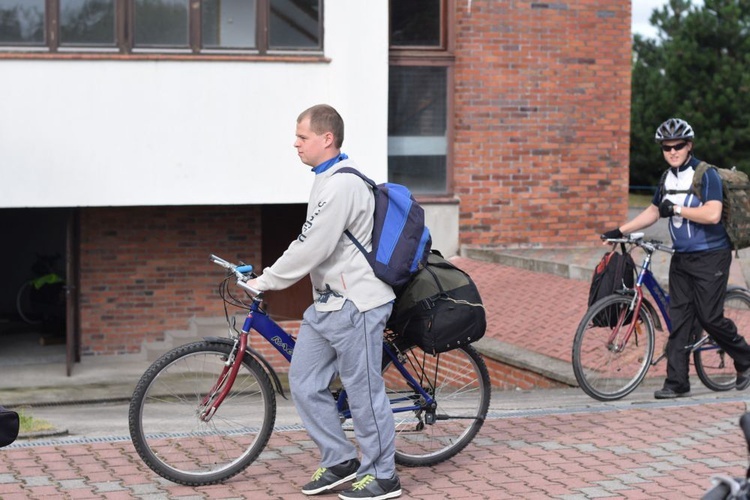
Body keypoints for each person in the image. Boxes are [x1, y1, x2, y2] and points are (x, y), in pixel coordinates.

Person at [245, 104, 402, 500]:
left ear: (326, 139)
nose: (295, 144)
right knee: (303, 380)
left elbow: (311, 246)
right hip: (328, 304)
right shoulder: (324, 180)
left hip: (357, 302)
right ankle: (339, 459)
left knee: (363, 391)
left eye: (302, 137)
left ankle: (384, 475)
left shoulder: (341, 186)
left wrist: (266, 280)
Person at [602, 117, 750, 400]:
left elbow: (712, 214)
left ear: (689, 146)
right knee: (679, 317)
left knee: (709, 317)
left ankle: (745, 357)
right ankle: (677, 382)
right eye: (666, 148)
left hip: (711, 256)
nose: (672, 152)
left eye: (678, 146)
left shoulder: (705, 175)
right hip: (681, 258)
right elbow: (655, 211)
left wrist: (678, 209)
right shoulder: (667, 178)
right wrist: (620, 230)